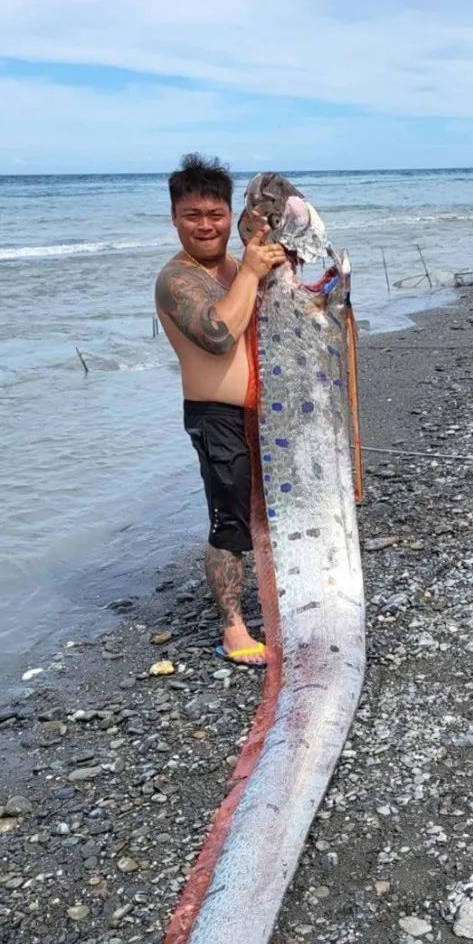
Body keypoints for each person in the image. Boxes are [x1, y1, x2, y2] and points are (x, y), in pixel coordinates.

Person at [155, 154, 286, 665]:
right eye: (192, 215)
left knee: (275, 518)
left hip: (269, 414)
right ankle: (233, 627)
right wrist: (251, 271)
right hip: (216, 415)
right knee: (229, 523)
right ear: (174, 218)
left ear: (228, 214)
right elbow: (217, 334)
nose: (205, 225)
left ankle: (279, 605)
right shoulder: (176, 280)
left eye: (215, 214)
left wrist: (261, 241)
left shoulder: (239, 265)